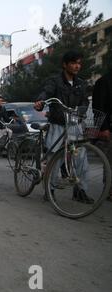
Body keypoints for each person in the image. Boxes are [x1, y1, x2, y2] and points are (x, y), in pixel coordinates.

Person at [35, 50, 93, 204]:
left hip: (74, 124)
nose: (77, 66)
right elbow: (45, 93)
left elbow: (85, 102)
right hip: (58, 124)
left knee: (81, 158)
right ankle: (50, 189)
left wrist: (80, 110)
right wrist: (40, 102)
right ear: (65, 65)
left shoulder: (81, 83)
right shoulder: (54, 81)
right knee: (55, 156)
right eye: (74, 63)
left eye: (79, 63)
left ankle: (80, 191)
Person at [93, 70, 112, 201]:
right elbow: (98, 107)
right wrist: (103, 127)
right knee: (110, 161)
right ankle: (109, 190)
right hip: (109, 128)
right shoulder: (104, 82)